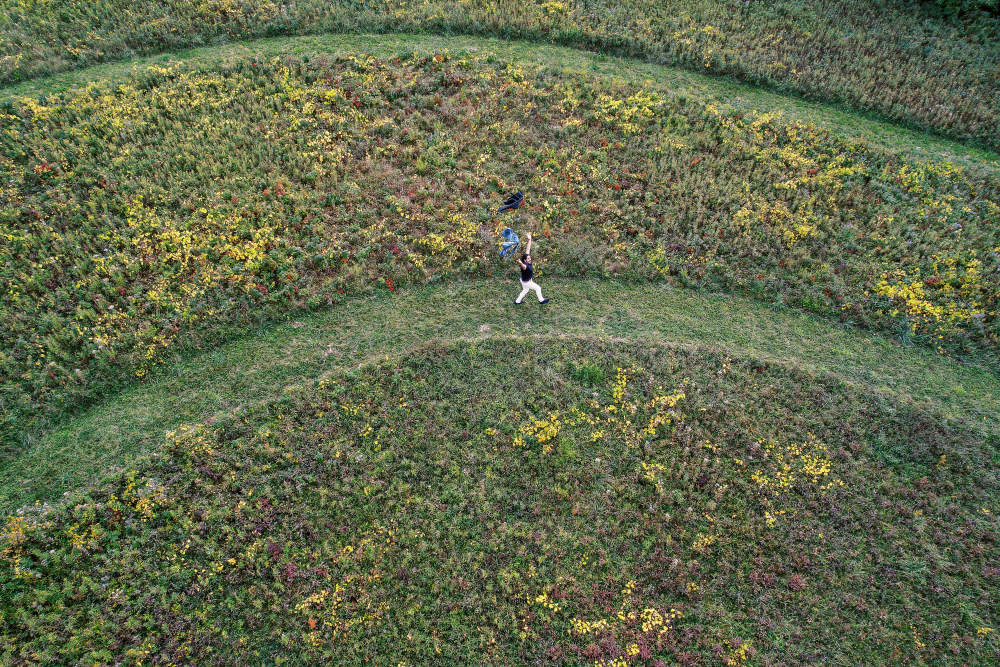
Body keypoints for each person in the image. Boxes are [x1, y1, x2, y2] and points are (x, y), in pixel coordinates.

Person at [514, 233, 549, 305]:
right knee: (538, 288)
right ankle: (541, 300)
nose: (530, 259)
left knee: (525, 290)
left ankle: (517, 301)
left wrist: (529, 239)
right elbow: (523, 266)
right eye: (528, 259)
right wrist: (520, 263)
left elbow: (528, 249)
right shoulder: (525, 266)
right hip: (526, 282)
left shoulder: (526, 259)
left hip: (524, 279)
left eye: (530, 258)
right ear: (525, 260)